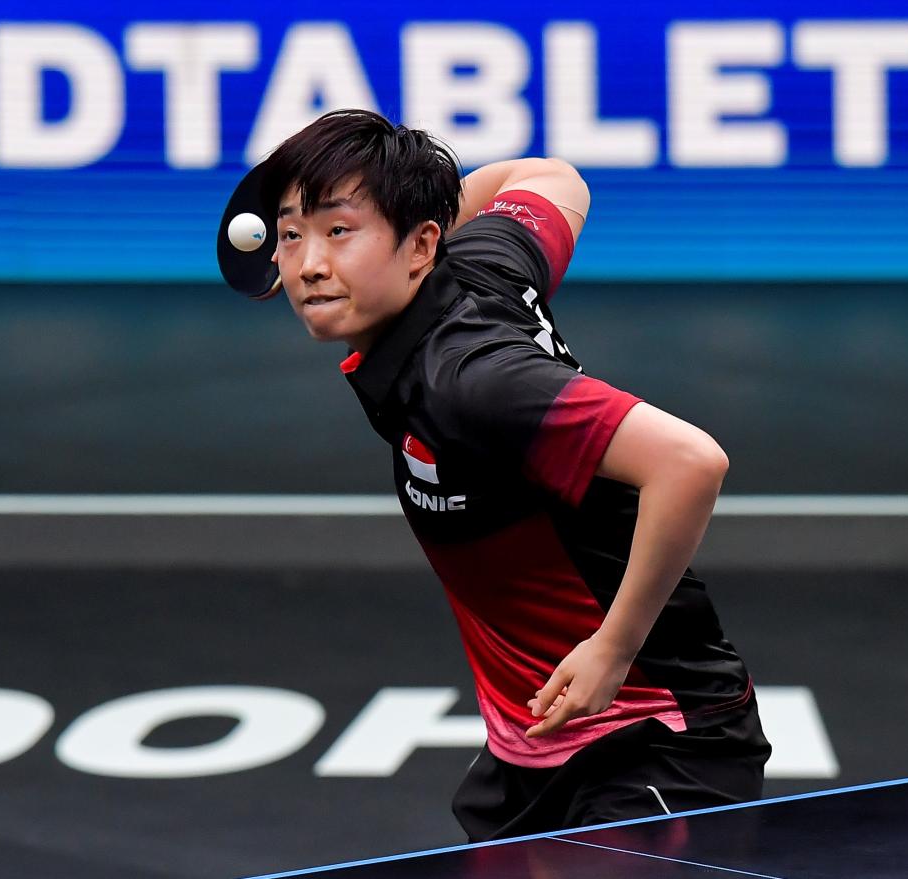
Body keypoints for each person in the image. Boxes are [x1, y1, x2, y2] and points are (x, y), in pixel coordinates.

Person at [219, 109, 771, 840]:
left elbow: (689, 460)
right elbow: (549, 176)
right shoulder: (484, 259)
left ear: (420, 248)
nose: (309, 264)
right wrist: (426, 221)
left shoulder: (471, 379)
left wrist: (614, 646)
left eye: (340, 231)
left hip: (655, 737)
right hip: (534, 745)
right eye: (292, 235)